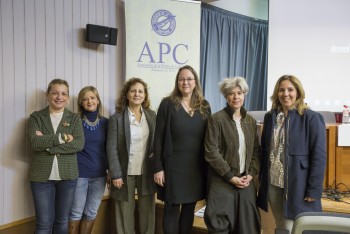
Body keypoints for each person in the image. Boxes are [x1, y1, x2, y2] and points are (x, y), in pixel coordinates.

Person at [257, 75, 326, 233]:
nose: (285, 94)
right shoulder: (270, 117)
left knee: (294, 227)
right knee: (281, 225)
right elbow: (266, 152)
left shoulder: (312, 118)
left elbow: (319, 157)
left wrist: (314, 189)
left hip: (298, 186)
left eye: (290, 90)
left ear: (298, 92)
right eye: (281, 90)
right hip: (274, 184)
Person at [153, 65, 211, 234]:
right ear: (177, 82)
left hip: (196, 168)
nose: (185, 82)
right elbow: (158, 138)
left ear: (195, 82)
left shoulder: (204, 106)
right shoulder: (167, 104)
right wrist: (158, 167)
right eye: (181, 79)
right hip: (173, 166)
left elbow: (210, 138)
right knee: (171, 209)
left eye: (189, 79)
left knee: (189, 209)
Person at [204, 77, 261, 234]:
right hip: (222, 182)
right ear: (225, 96)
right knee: (218, 227)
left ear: (244, 95)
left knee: (248, 227)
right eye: (231, 93)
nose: (236, 97)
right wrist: (230, 176)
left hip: (245, 182)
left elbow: (256, 151)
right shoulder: (216, 119)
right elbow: (211, 152)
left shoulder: (250, 121)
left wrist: (251, 174)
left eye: (239, 93)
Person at [27, 78, 84, 234]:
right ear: (47, 95)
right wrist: (62, 138)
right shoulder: (36, 117)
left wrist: (47, 146)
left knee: (62, 221)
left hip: (68, 177)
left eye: (63, 93)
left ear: (67, 97)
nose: (59, 97)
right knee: (44, 223)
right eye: (55, 93)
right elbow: (34, 143)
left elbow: (78, 144)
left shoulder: (74, 118)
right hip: (41, 178)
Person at [107, 78, 156, 234]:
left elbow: (156, 144)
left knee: (148, 213)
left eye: (140, 91)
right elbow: (111, 148)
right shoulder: (117, 118)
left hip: (146, 171)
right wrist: (115, 173)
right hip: (123, 173)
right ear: (126, 94)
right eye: (133, 91)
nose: (137, 94)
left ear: (145, 95)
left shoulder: (151, 115)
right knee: (124, 215)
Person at [68, 86, 109, 234]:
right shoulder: (74, 121)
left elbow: (109, 149)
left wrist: (110, 171)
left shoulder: (106, 123)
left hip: (99, 175)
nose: (89, 101)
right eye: (85, 99)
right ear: (81, 103)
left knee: (91, 212)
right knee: (75, 212)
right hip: (80, 174)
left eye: (92, 98)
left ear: (98, 100)